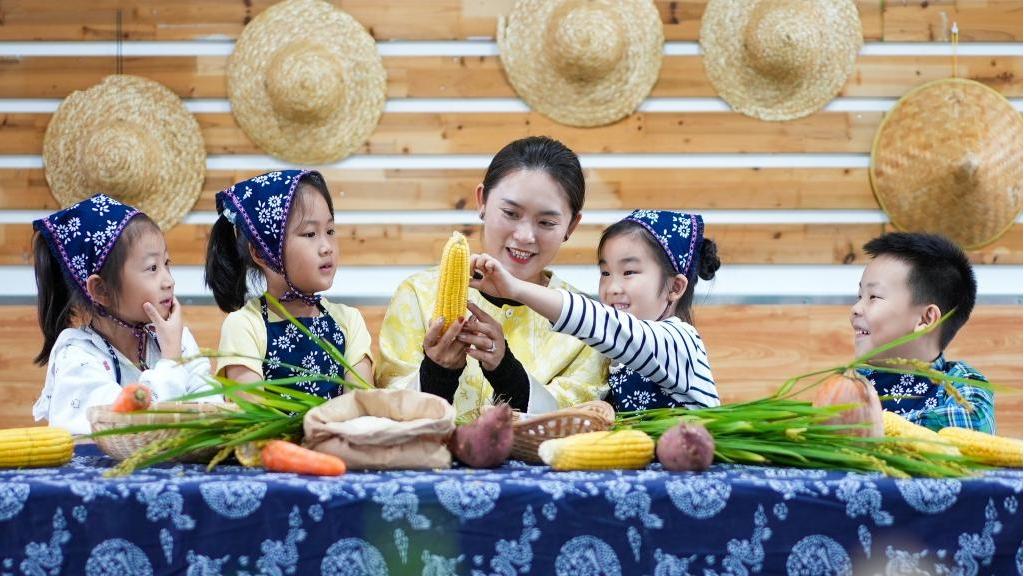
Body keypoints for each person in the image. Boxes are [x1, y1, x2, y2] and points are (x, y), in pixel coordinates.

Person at [375, 136, 608, 416]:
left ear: (572, 225)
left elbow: (577, 419)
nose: (525, 236)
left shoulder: (585, 323)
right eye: (510, 213)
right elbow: (386, 408)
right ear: (481, 201)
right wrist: (437, 372)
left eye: (546, 222)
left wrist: (506, 370)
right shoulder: (417, 295)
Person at [472, 210, 721, 411]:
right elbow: (556, 413)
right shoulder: (614, 355)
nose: (612, 287)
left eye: (629, 272)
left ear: (675, 287)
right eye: (605, 273)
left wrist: (516, 289)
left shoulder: (680, 343)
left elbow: (600, 322)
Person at [33, 194, 215, 434]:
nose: (169, 281)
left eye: (166, 264)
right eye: (152, 268)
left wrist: (174, 349)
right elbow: (126, 427)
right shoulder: (77, 358)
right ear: (101, 290)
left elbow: (211, 406)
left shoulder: (175, 337)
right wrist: (170, 359)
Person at [206, 170, 373, 398]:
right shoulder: (244, 326)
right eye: (310, 233)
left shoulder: (349, 321)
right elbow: (253, 420)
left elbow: (362, 408)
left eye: (330, 231)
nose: (327, 247)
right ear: (262, 253)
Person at [852, 232, 994, 432]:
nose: (856, 308)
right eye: (859, 296)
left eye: (873, 296)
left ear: (926, 319)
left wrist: (870, 426)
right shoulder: (855, 382)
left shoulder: (962, 383)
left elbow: (974, 424)